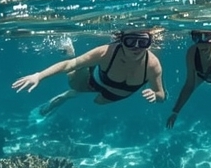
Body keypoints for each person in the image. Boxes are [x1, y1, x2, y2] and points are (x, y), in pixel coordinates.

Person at [12, 30, 166, 115]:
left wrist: (155, 96)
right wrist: (39, 75)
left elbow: (161, 96)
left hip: (116, 94)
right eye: (130, 41)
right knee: (74, 83)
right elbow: (69, 65)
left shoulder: (153, 65)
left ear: (149, 44)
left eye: (143, 42)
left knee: (98, 103)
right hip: (93, 80)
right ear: (121, 40)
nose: (136, 47)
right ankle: (70, 54)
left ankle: (68, 95)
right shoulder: (106, 53)